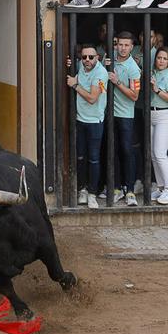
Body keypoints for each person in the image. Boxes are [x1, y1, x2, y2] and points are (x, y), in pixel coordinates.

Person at [70, 45, 108, 210]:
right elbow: (74, 66)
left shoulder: (101, 73)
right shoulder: (81, 66)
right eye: (84, 57)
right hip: (80, 119)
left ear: (97, 58)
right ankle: (83, 190)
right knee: (80, 157)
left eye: (91, 57)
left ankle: (92, 194)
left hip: (94, 122)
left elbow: (93, 98)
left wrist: (74, 85)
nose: (87, 60)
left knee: (93, 159)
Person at [107, 31, 141, 206]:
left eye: (126, 45)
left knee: (126, 151)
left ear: (132, 47)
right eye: (120, 44)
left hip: (125, 116)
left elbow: (134, 95)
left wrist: (117, 81)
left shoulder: (133, 68)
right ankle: (116, 188)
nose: (123, 48)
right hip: (108, 114)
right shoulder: (109, 59)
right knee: (112, 151)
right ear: (116, 44)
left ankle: (130, 190)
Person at [147, 48, 168, 205]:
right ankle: (161, 187)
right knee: (154, 154)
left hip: (165, 115)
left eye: (164, 59)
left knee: (160, 153)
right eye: (159, 58)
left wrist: (158, 90)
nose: (161, 61)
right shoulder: (154, 74)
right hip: (152, 114)